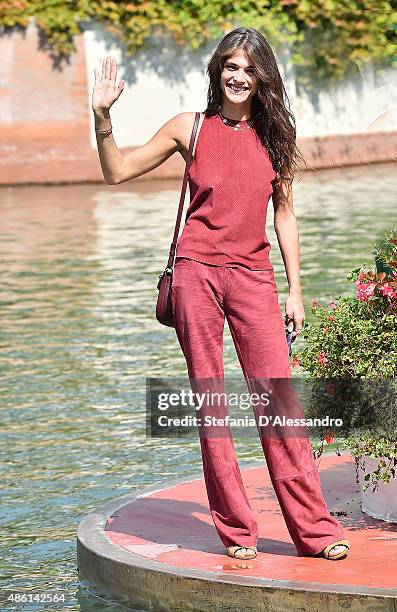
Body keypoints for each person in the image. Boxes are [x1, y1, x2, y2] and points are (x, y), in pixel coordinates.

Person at [92, 27, 350, 562]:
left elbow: (284, 215)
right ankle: (236, 532)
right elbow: (117, 171)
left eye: (249, 69)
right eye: (230, 67)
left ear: (263, 78)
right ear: (218, 72)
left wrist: (295, 291)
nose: (239, 77)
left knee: (279, 402)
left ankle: (315, 532)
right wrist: (103, 120)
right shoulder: (190, 128)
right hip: (196, 275)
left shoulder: (274, 136)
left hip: (254, 276)